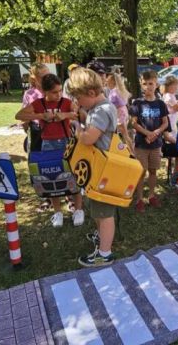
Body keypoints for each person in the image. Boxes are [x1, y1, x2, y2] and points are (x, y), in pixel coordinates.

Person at [15, 73, 85, 228]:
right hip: (47, 144)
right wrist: (41, 115)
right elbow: (19, 115)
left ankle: (78, 209)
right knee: (51, 177)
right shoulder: (39, 103)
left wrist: (65, 115)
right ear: (45, 91)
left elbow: (79, 114)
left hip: (66, 142)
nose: (58, 95)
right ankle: (57, 212)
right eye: (54, 92)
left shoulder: (65, 102)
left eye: (60, 91)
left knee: (73, 175)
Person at [66, 67, 119, 267]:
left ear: (90, 93)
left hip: (102, 170)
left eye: (79, 99)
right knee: (98, 209)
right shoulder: (100, 108)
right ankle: (102, 237)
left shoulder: (101, 111)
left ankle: (104, 254)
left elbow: (88, 138)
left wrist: (77, 128)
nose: (78, 103)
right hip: (99, 168)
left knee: (104, 213)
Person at [130, 70, 169, 212]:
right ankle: (139, 199)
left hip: (156, 144)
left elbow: (165, 123)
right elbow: (134, 123)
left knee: (153, 171)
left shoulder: (161, 103)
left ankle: (151, 195)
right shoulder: (137, 103)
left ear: (156, 84)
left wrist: (156, 133)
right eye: (145, 84)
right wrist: (147, 133)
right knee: (141, 172)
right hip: (141, 144)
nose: (148, 87)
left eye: (151, 83)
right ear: (141, 85)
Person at [22, 63, 49, 152]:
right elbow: (24, 116)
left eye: (49, 75)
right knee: (37, 154)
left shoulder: (54, 90)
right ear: (34, 78)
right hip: (37, 130)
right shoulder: (29, 94)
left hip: (54, 129)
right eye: (43, 77)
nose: (48, 79)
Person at [105, 68, 134, 153]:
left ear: (112, 81)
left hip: (119, 113)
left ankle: (132, 152)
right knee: (124, 134)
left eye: (108, 80)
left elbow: (111, 105)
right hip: (122, 112)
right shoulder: (117, 90)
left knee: (124, 135)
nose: (106, 81)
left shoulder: (113, 92)